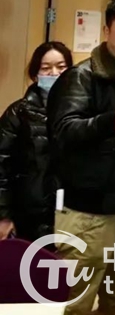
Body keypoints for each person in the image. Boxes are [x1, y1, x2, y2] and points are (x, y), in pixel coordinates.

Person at [47, 0, 115, 315]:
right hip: (89, 211)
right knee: (74, 302)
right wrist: (109, 123)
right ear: (107, 30)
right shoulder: (82, 76)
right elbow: (63, 130)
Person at [0, 41, 72, 241]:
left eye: (61, 67)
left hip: (74, 214)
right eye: (46, 68)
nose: (54, 73)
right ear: (35, 74)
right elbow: (2, 166)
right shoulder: (18, 113)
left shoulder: (83, 112)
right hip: (28, 214)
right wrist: (4, 215)